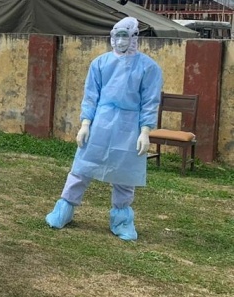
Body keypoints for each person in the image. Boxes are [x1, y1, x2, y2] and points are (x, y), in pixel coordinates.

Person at [45, 16, 162, 241]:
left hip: (129, 126)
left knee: (124, 176)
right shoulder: (100, 63)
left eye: (125, 36)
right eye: (116, 35)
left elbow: (150, 100)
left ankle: (122, 220)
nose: (120, 40)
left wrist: (145, 130)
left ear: (134, 37)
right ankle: (64, 210)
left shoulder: (148, 67)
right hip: (101, 121)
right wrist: (85, 123)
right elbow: (91, 95)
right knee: (81, 168)